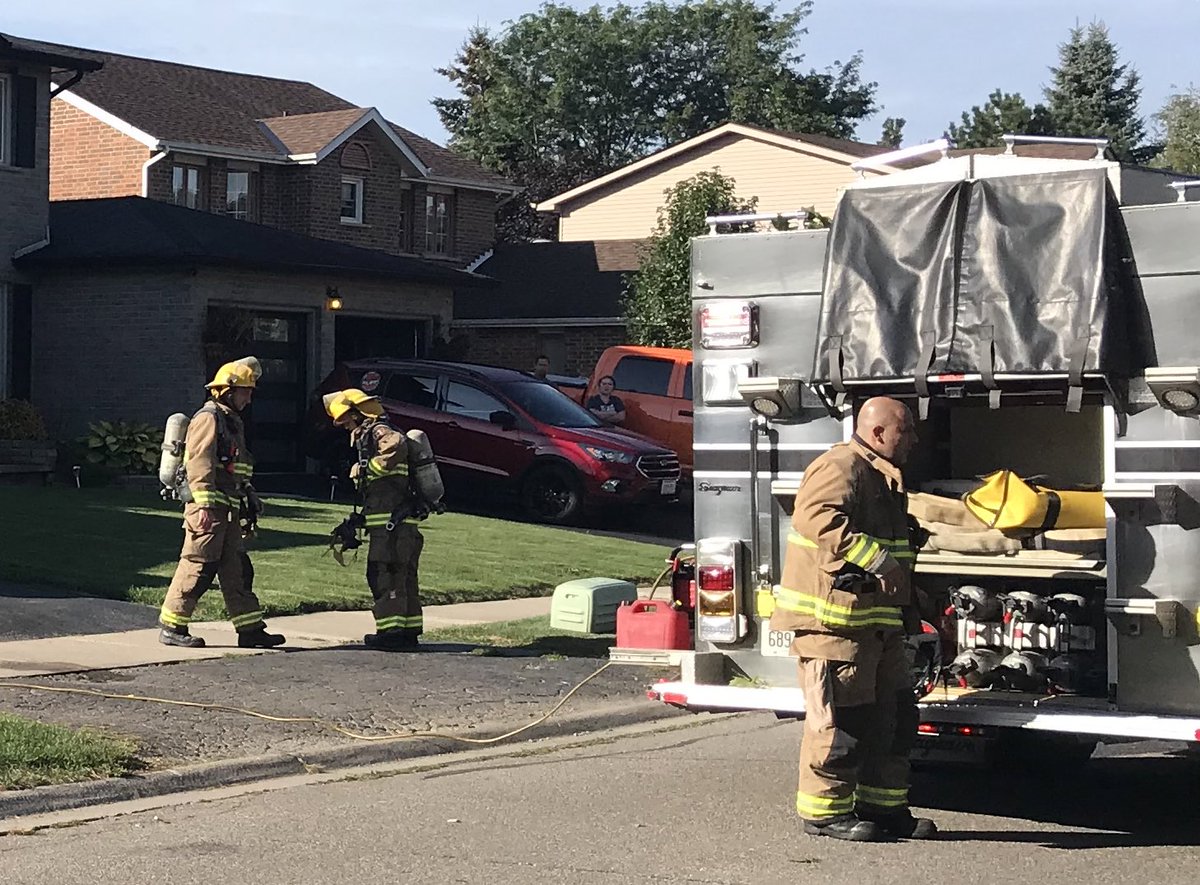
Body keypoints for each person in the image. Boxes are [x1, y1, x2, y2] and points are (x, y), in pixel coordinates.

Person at [771, 396, 936, 842]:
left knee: (894, 719)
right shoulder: (842, 466)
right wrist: (877, 560)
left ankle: (884, 809)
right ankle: (825, 813)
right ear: (879, 432)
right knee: (842, 723)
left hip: (875, 628)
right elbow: (815, 517)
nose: (915, 440)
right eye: (907, 430)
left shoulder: (883, 476)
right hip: (834, 630)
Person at [159, 357, 285, 649]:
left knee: (237, 568)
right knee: (198, 566)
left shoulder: (231, 421)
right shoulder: (208, 418)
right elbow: (199, 462)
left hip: (227, 508)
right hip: (208, 510)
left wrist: (249, 494)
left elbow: (234, 468)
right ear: (228, 390)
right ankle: (172, 626)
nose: (250, 397)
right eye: (246, 391)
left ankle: (250, 629)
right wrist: (203, 506)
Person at [323, 388, 424, 650]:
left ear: (358, 414)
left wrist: (366, 468)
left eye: (347, 421)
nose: (347, 428)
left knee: (384, 574)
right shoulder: (377, 431)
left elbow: (397, 446)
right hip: (399, 523)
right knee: (403, 576)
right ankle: (408, 631)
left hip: (391, 526)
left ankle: (390, 634)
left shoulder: (379, 431)